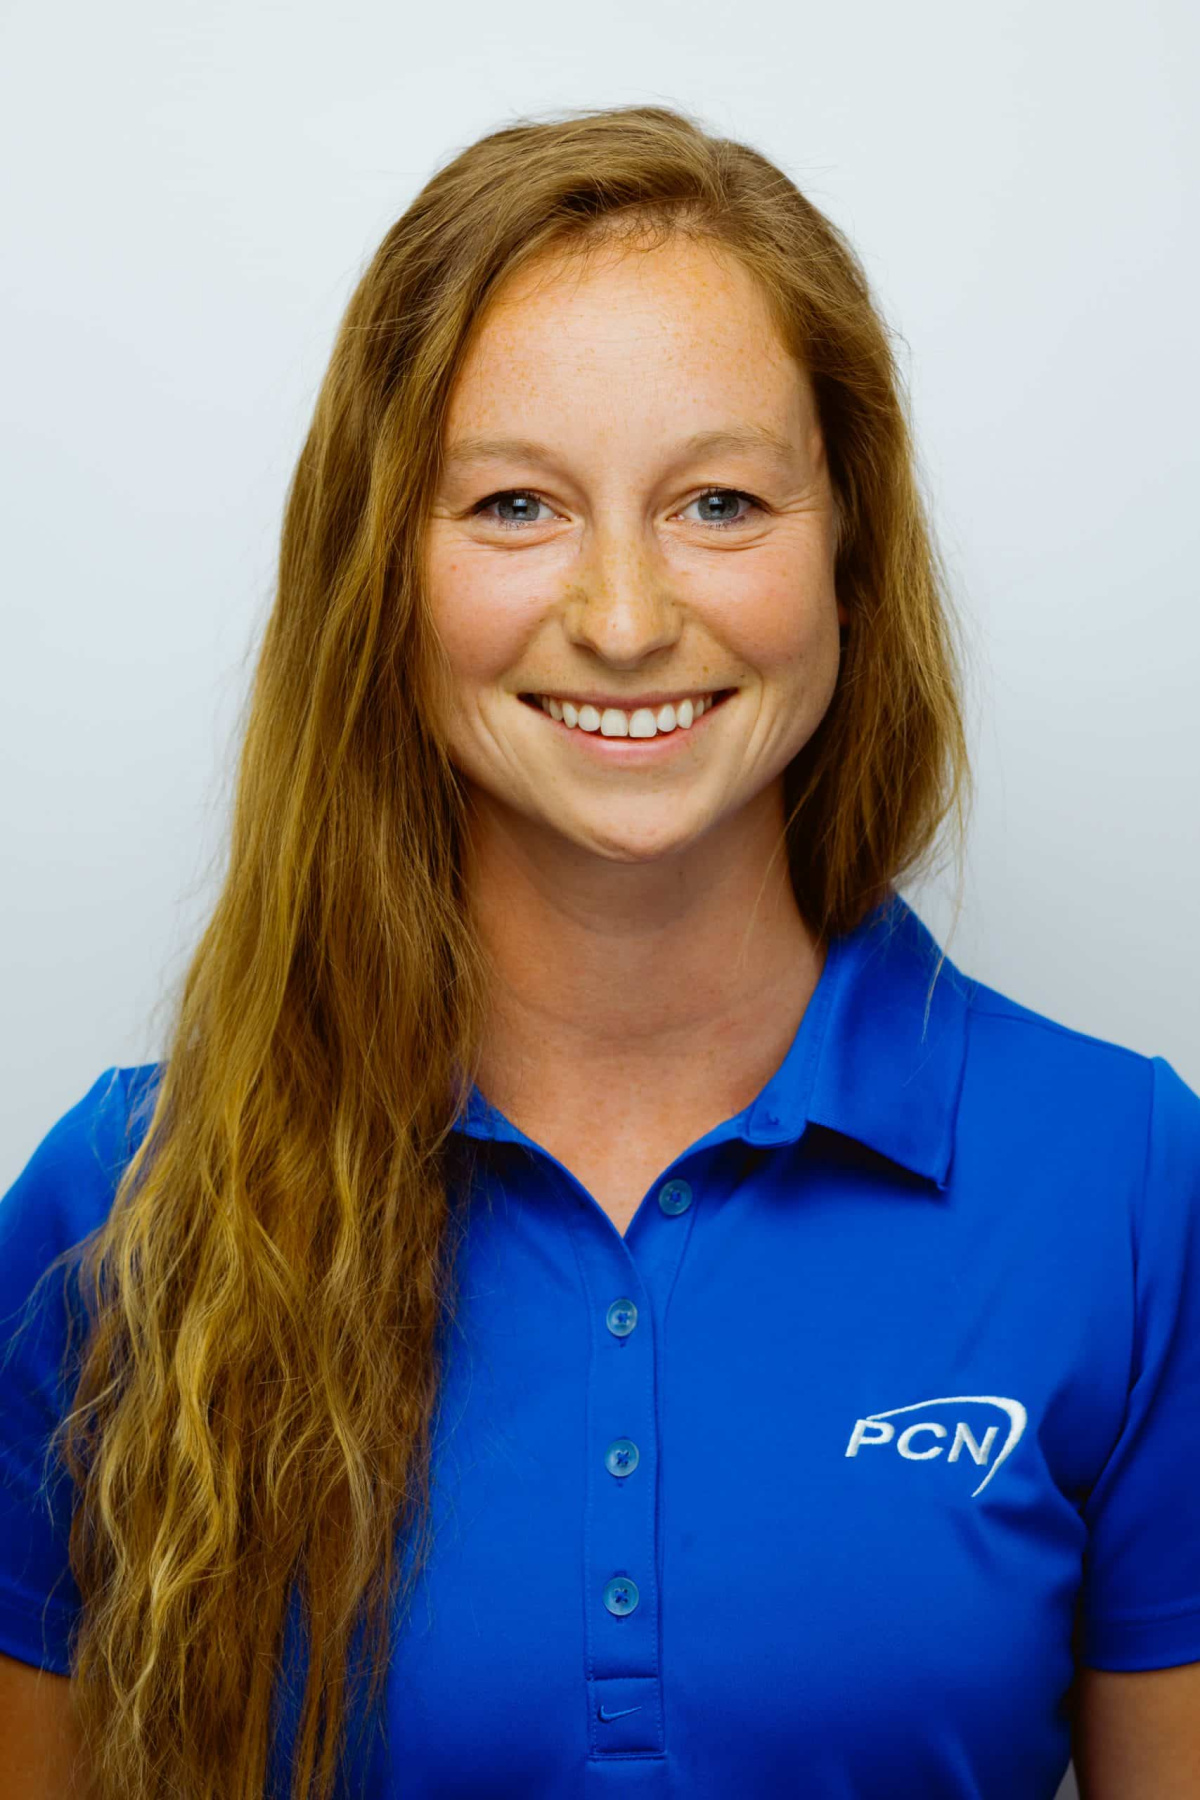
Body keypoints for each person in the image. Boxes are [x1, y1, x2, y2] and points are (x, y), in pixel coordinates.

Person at [1, 103, 1197, 1800]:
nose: (626, 618)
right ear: (381, 574)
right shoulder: (120, 1203)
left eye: (719, 501)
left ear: (846, 552)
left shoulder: (1124, 1184)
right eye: (515, 505)